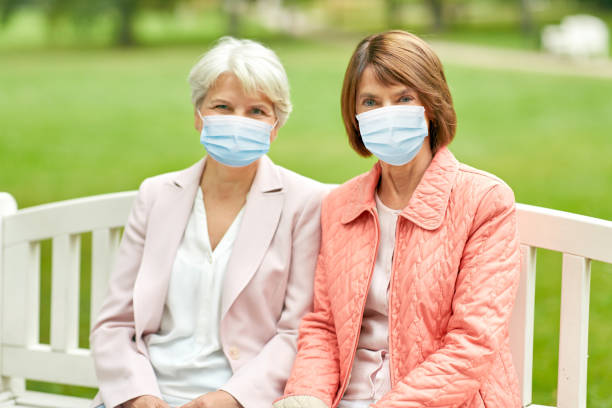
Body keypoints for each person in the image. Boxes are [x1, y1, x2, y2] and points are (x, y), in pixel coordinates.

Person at [274, 30, 521, 408]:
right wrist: (303, 396)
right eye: (371, 101)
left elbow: (473, 341)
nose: (386, 113)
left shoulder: (484, 201)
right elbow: (325, 326)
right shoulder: (341, 204)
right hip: (347, 397)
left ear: (432, 105)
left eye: (404, 98)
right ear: (355, 116)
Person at [90, 37, 328, 408]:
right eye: (222, 106)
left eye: (256, 111)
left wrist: (227, 398)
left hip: (242, 399)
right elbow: (115, 323)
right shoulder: (157, 195)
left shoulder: (305, 203)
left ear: (276, 125)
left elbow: (299, 330)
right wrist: (140, 397)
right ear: (198, 117)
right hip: (145, 395)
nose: (238, 121)